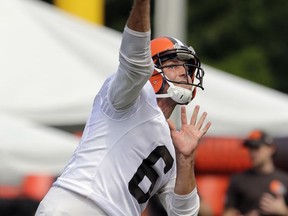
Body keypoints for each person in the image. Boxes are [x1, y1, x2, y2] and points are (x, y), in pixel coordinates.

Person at [35, 0, 211, 215]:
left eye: (188, 67)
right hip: (78, 204)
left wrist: (186, 159)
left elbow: (185, 213)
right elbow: (135, 58)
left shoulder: (174, 144)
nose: (184, 72)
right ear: (153, 69)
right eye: (173, 65)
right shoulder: (133, 96)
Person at [223, 129, 288, 216]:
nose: (252, 153)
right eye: (250, 149)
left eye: (257, 148)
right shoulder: (238, 179)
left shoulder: (285, 179)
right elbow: (227, 212)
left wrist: (283, 210)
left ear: (271, 149)